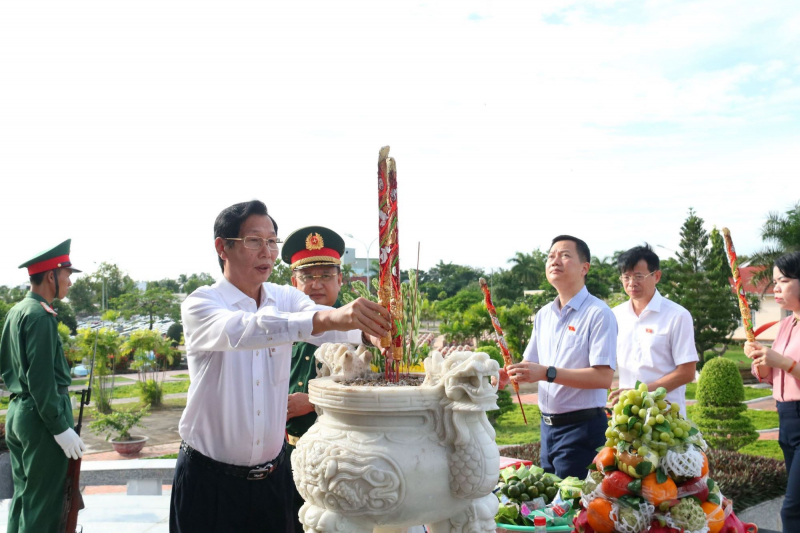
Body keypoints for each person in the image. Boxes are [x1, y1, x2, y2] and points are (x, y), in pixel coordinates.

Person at [169, 201, 390, 533]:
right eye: (254, 241)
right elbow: (246, 330)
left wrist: (375, 333)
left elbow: (331, 328)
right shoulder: (202, 304)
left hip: (272, 483)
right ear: (222, 247)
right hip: (209, 482)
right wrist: (332, 316)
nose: (267, 252)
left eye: (272, 242)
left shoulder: (285, 298)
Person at [501, 235, 616, 479]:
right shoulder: (544, 314)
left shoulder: (598, 313)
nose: (555, 260)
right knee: (553, 507)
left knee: (572, 510)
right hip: (548, 429)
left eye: (565, 255)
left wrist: (547, 373)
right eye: (551, 256)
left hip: (582, 429)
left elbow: (603, 377)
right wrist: (509, 374)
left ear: (585, 268)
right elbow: (531, 364)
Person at [0, 239, 86, 533]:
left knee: (24, 499)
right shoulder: (40, 315)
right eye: (67, 274)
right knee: (45, 507)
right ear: (51, 275)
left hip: (19, 412)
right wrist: (60, 428)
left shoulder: (17, 311)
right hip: (40, 418)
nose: (70, 282)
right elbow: (41, 382)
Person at [282, 225, 347, 531]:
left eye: (325, 275)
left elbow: (373, 386)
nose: (315, 284)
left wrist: (313, 402)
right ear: (294, 282)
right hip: (285, 455)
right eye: (307, 277)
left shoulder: (356, 330)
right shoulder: (280, 328)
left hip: (335, 459)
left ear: (340, 279)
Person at [745, 251, 800, 532]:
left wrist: (784, 362)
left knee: (793, 509)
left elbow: (786, 365)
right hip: (786, 417)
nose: (776, 287)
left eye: (785, 280)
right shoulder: (787, 323)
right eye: (776, 281)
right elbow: (771, 376)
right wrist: (760, 360)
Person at [608, 244, 697, 416]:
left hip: (666, 416)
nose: (631, 283)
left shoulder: (677, 315)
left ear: (656, 276)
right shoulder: (614, 315)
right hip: (627, 415)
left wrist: (641, 393)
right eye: (626, 277)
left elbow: (686, 372)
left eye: (638, 276)